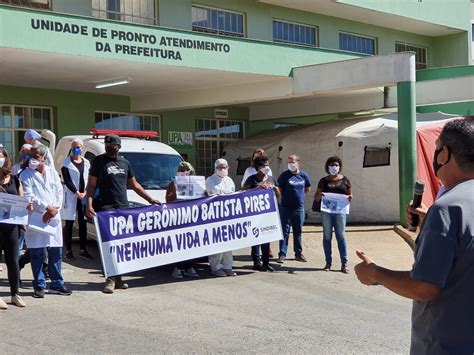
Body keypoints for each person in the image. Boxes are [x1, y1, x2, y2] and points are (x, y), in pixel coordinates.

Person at [355, 117, 474, 354]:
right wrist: (428, 226)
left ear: (444, 154)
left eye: (438, 147)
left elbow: (424, 287)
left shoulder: (448, 208)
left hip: (445, 344)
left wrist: (375, 273)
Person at [85, 134, 161, 294]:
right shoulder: (98, 161)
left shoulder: (125, 163)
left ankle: (119, 278)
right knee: (109, 245)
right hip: (106, 208)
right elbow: (91, 185)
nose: (109, 148)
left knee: (121, 245)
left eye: (112, 145)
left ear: (118, 147)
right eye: (107, 145)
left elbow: (135, 185)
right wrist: (89, 204)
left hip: (123, 208)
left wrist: (151, 199)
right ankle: (110, 279)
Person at [20, 144, 72, 298]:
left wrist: (55, 209)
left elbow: (59, 192)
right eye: (31, 156)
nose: (32, 159)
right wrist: (46, 208)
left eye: (36, 157)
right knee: (37, 253)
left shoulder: (52, 172)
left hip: (53, 218)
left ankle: (57, 284)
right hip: (37, 218)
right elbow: (29, 197)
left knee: (56, 252)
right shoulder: (25, 175)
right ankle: (39, 285)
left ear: (43, 158)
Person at [0, 147, 30, 308]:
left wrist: (27, 207)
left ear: (6, 158)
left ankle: (15, 294)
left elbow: (22, 199)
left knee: (13, 261)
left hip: (12, 227)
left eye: (1, 156)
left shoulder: (14, 179)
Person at [314, 156, 352, 274]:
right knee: (327, 236)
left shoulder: (345, 180)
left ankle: (344, 263)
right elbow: (316, 197)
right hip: (327, 213)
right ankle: (328, 262)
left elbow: (350, 195)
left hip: (340, 212)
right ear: (327, 167)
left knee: (341, 236)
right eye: (331, 165)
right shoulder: (323, 181)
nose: (334, 167)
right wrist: (320, 195)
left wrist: (350, 198)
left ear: (339, 166)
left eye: (336, 165)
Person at [242, 156, 280, 272]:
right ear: (258, 167)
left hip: (268, 213)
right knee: (256, 237)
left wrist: (274, 188)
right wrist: (258, 187)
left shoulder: (271, 179)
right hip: (255, 213)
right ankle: (256, 262)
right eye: (264, 166)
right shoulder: (252, 179)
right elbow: (243, 191)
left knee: (266, 236)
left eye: (268, 165)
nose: (266, 168)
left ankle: (266, 263)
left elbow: (278, 194)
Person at [166, 161, 199, 279]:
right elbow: (168, 200)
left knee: (191, 244)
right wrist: (175, 191)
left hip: (191, 218)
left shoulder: (195, 183)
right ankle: (178, 268)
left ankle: (189, 266)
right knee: (180, 244)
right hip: (178, 219)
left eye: (187, 172)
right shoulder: (172, 184)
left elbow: (202, 196)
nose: (185, 173)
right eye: (182, 171)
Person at [276, 154, 311, 263]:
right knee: (284, 232)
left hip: (299, 209)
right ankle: (282, 254)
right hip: (286, 208)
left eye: (293, 162)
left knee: (298, 231)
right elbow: (279, 189)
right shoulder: (284, 175)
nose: (290, 164)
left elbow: (307, 189)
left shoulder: (304, 175)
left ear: (298, 163)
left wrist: (298, 197)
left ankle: (298, 253)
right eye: (289, 162)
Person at [61, 138, 92, 261]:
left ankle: (83, 250)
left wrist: (85, 192)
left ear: (82, 148)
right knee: (69, 224)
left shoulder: (87, 162)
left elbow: (89, 178)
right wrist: (77, 192)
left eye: (78, 146)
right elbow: (67, 180)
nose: (76, 149)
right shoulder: (66, 163)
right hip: (72, 196)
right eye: (74, 147)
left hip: (83, 196)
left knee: (83, 223)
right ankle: (68, 250)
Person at [205, 158, 237, 277]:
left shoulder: (229, 180)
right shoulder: (210, 180)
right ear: (215, 168)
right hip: (215, 216)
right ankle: (216, 267)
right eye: (220, 167)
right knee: (217, 242)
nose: (223, 169)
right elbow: (207, 196)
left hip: (228, 215)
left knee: (228, 243)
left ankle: (227, 266)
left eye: (225, 167)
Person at [241, 148, 274, 258]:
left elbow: (273, 184)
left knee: (266, 230)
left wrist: (272, 187)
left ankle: (266, 254)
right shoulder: (250, 172)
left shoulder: (268, 171)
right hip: (253, 205)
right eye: (256, 156)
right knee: (255, 229)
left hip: (265, 205)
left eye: (260, 156)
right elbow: (244, 187)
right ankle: (255, 255)